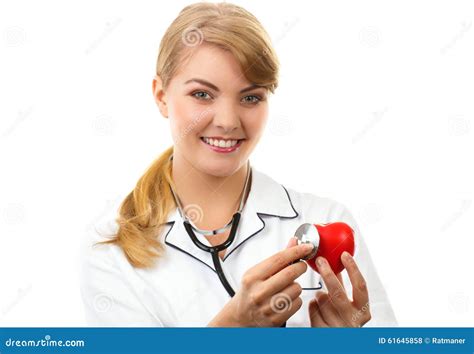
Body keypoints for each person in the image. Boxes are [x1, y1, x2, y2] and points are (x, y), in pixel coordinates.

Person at [80, 1, 397, 327]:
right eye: (202, 94)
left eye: (250, 97)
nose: (229, 121)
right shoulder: (110, 251)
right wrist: (231, 330)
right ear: (161, 96)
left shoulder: (327, 221)